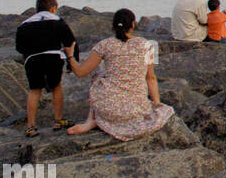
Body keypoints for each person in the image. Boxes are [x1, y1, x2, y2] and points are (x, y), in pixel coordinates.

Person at [64, 9, 174, 139]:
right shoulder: (148, 45)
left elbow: (81, 72)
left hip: (108, 107)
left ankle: (91, 121)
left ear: (114, 26)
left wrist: (70, 56)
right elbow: (150, 78)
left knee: (98, 76)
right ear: (133, 25)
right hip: (136, 109)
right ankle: (95, 122)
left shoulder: (104, 45)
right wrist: (156, 104)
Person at [14, 0, 77, 136]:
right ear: (53, 8)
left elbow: (19, 47)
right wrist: (71, 62)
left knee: (34, 90)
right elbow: (70, 42)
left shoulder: (24, 25)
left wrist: (29, 53)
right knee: (56, 86)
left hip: (32, 59)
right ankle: (58, 120)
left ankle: (31, 126)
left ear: (37, 8)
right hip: (53, 57)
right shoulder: (58, 21)